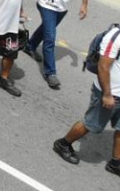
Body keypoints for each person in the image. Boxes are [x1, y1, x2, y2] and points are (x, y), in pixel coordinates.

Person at [51, 23, 120, 177]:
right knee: (91, 123)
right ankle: (63, 144)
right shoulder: (116, 36)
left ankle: (116, 163)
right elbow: (103, 67)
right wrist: (107, 95)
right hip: (110, 93)